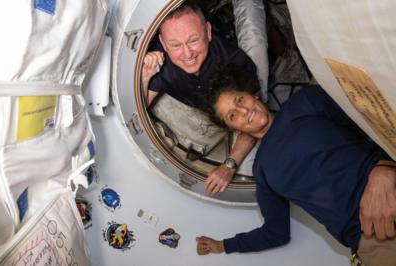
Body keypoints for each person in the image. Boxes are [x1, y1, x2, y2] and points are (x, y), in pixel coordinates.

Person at [196, 67, 396, 265]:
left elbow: (376, 121)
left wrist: (385, 168)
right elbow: (276, 233)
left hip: (389, 191)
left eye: (240, 100)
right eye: (232, 115)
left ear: (252, 94)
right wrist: (222, 245)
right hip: (372, 239)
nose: (243, 110)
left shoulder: (305, 101)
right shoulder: (262, 171)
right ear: (233, 129)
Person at [142, 1, 260, 194]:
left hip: (216, 123)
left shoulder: (236, 63)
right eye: (175, 44)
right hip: (178, 114)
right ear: (163, 43)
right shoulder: (158, 60)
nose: (187, 53)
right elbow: (138, 110)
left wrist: (229, 165)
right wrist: (145, 76)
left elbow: (255, 120)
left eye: (193, 40)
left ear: (208, 31)